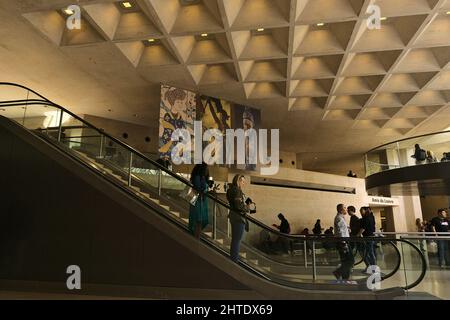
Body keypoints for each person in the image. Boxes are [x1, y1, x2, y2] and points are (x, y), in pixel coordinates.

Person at [226, 174, 251, 263]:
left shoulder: (231, 190)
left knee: (235, 240)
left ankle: (234, 258)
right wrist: (247, 207)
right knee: (236, 240)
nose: (243, 183)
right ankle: (234, 260)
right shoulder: (237, 191)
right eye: (242, 181)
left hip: (233, 216)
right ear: (237, 181)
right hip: (238, 218)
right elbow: (238, 206)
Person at [333, 204, 354, 281]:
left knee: (346, 260)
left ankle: (345, 277)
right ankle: (339, 273)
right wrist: (344, 243)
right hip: (343, 242)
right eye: (345, 208)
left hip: (343, 241)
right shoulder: (339, 218)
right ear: (341, 210)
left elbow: (342, 230)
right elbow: (340, 232)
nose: (346, 209)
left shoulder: (341, 218)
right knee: (350, 260)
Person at [188, 163, 210, 239]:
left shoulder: (201, 177)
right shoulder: (198, 177)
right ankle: (195, 238)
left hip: (201, 201)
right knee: (198, 220)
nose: (207, 171)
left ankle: (196, 237)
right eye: (206, 169)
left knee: (201, 220)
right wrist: (204, 180)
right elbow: (200, 188)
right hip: (197, 200)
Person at [357, 207, 377, 273]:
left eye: (361, 211)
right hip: (370, 236)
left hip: (368, 237)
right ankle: (372, 268)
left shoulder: (367, 218)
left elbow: (363, 228)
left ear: (365, 211)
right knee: (370, 253)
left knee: (370, 253)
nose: (360, 212)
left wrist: (358, 235)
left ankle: (373, 269)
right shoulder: (371, 217)